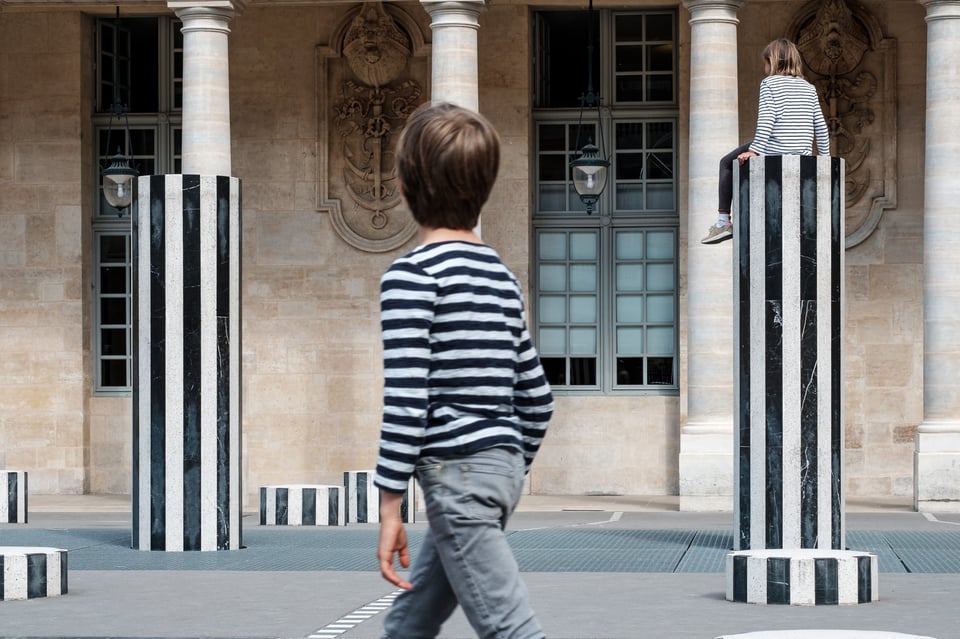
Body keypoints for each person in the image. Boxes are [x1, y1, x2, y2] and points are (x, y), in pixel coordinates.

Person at [373, 102, 554, 639]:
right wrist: (505, 467)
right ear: (484, 190)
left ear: (404, 187)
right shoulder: (501, 275)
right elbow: (538, 397)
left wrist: (389, 506)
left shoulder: (411, 276)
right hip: (499, 468)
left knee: (511, 628)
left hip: (457, 475)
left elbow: (407, 399)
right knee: (412, 619)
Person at [701, 38, 831, 244]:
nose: (764, 68)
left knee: (726, 163)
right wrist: (825, 158)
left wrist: (756, 150)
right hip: (802, 154)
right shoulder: (809, 88)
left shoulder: (769, 83)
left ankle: (723, 221)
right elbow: (821, 128)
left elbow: (767, 119)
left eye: (765, 63)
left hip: (773, 149)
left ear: (773, 62)